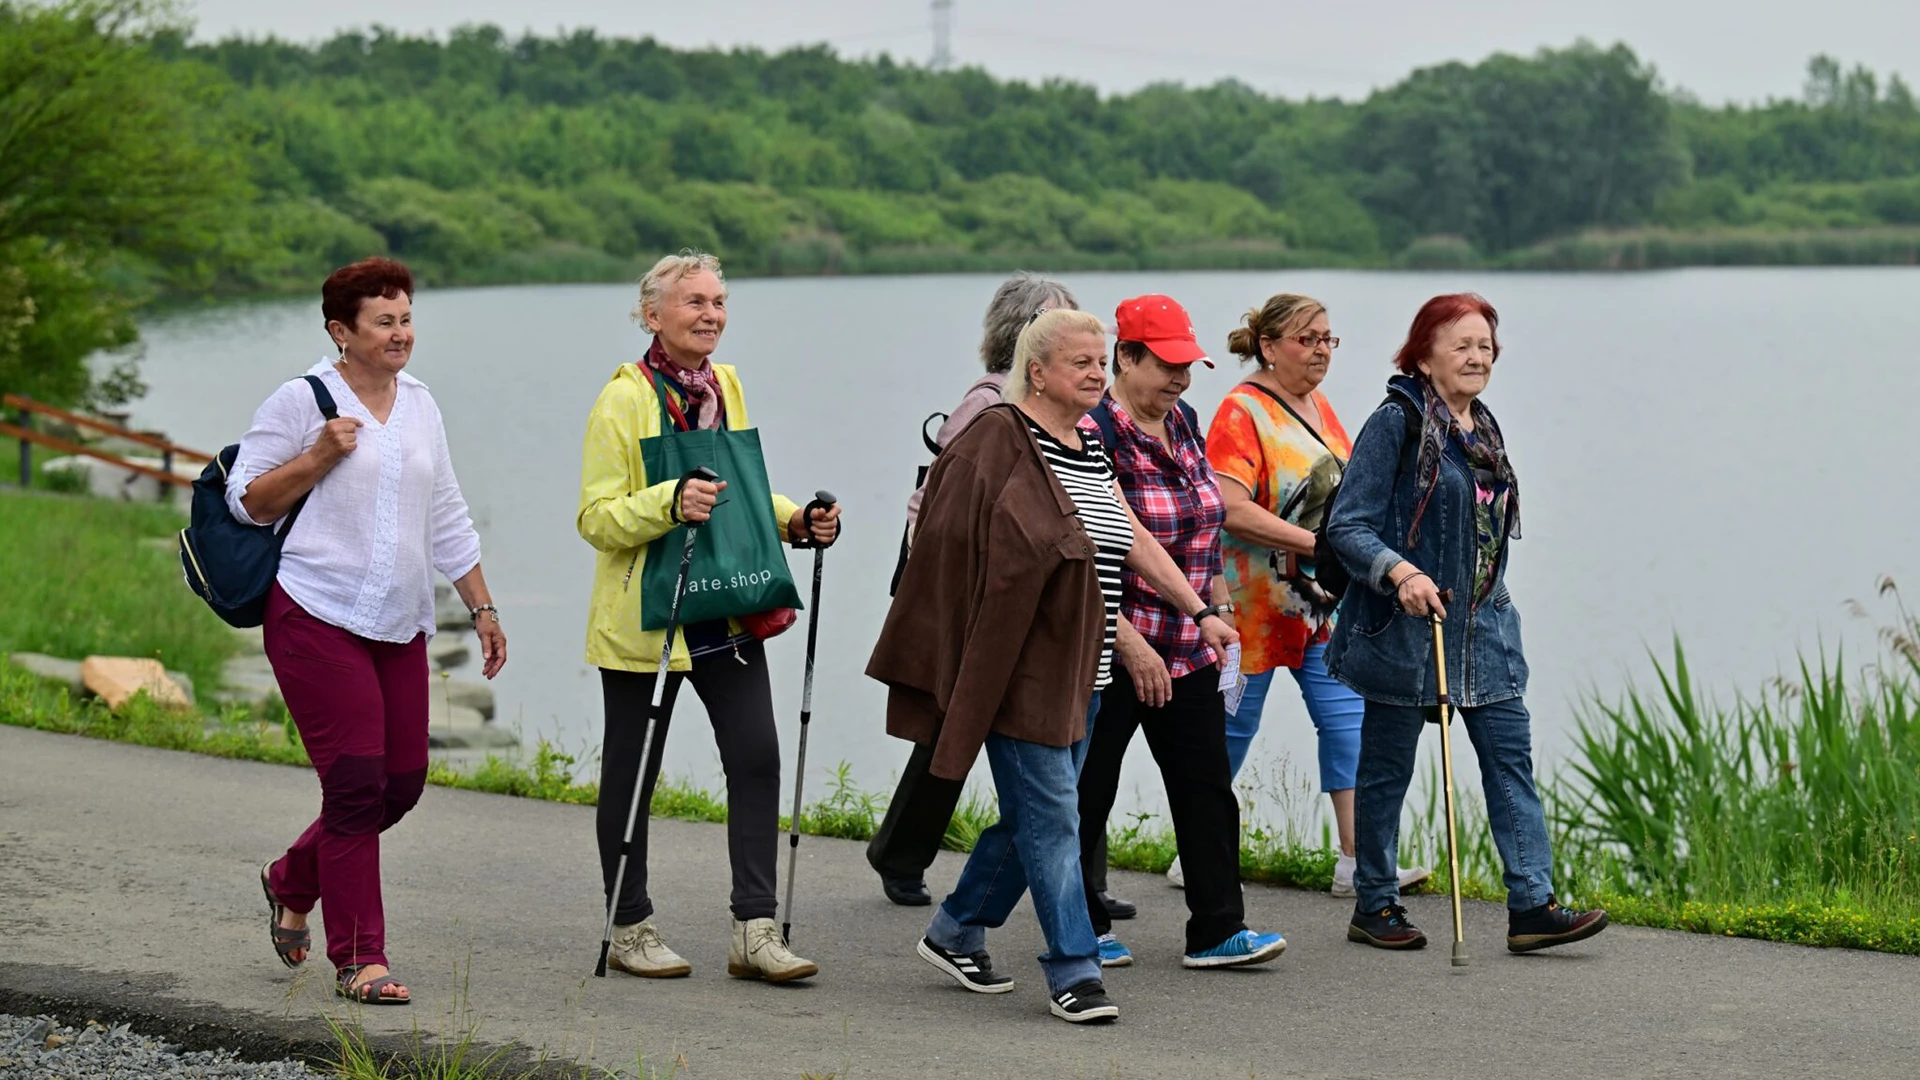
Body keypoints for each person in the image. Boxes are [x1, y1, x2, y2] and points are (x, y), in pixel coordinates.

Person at [868, 309, 1239, 1025]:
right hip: (1019, 669)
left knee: (1035, 818)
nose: (1099, 374)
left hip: (1083, 667)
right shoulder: (997, 440)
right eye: (1083, 363)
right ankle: (1074, 968)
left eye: (1102, 362)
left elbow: (1126, 533)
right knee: (1057, 819)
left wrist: (1198, 611)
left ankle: (956, 928)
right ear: (1037, 372)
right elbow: (949, 544)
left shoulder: (1085, 443)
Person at [237, 257, 508, 1005]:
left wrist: (481, 608)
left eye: (407, 318)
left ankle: (291, 878)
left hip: (398, 623)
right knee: (355, 785)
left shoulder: (420, 403)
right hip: (315, 614)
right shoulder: (301, 400)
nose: (401, 334)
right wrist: (318, 455)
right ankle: (359, 958)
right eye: (384, 321)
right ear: (340, 331)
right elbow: (247, 502)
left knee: (401, 783)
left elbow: (447, 514)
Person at [577, 251, 841, 983]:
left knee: (757, 756)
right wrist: (667, 503)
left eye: (719, 302)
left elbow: (740, 497)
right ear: (651, 314)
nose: (711, 314)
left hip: (724, 606)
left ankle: (754, 932)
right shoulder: (623, 399)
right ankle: (629, 927)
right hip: (646, 617)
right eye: (693, 301)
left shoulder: (726, 386)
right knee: (633, 776)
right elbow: (595, 519)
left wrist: (796, 522)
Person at [1325, 292, 1608, 954]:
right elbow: (1348, 525)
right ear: (1423, 355)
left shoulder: (1482, 426)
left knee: (1511, 759)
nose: (1477, 356)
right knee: (1387, 769)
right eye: (1462, 345)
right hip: (1407, 627)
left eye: (1485, 346)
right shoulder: (1394, 422)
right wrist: (1401, 573)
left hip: (1484, 628)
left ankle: (1532, 905)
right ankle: (1374, 903)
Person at [870, 272, 1135, 924]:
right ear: (1022, 340)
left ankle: (1077, 892)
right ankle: (903, 854)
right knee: (950, 733)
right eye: (1057, 324)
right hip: (969, 592)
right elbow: (946, 507)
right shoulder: (989, 406)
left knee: (1055, 767)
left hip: (1052, 607)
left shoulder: (1081, 426)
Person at [1074, 294, 1288, 971]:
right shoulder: (1093, 431)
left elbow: (1204, 522)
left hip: (1188, 638)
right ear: (1125, 357)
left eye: (1186, 366)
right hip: (1111, 645)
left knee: (1205, 786)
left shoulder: (1185, 420)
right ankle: (1080, 924)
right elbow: (1092, 547)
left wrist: (1219, 604)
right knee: (1088, 791)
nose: (1178, 379)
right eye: (1163, 365)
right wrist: (1127, 644)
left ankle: (1218, 929)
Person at [1202, 293, 1430, 897]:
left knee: (1347, 722)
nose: (1321, 350)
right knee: (1230, 733)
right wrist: (1314, 542)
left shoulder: (1319, 406)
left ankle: (1356, 863)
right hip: (1252, 607)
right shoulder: (1239, 410)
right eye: (1307, 339)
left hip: (1321, 606)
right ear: (1269, 346)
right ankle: (1198, 848)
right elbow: (1228, 509)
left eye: (1328, 339)